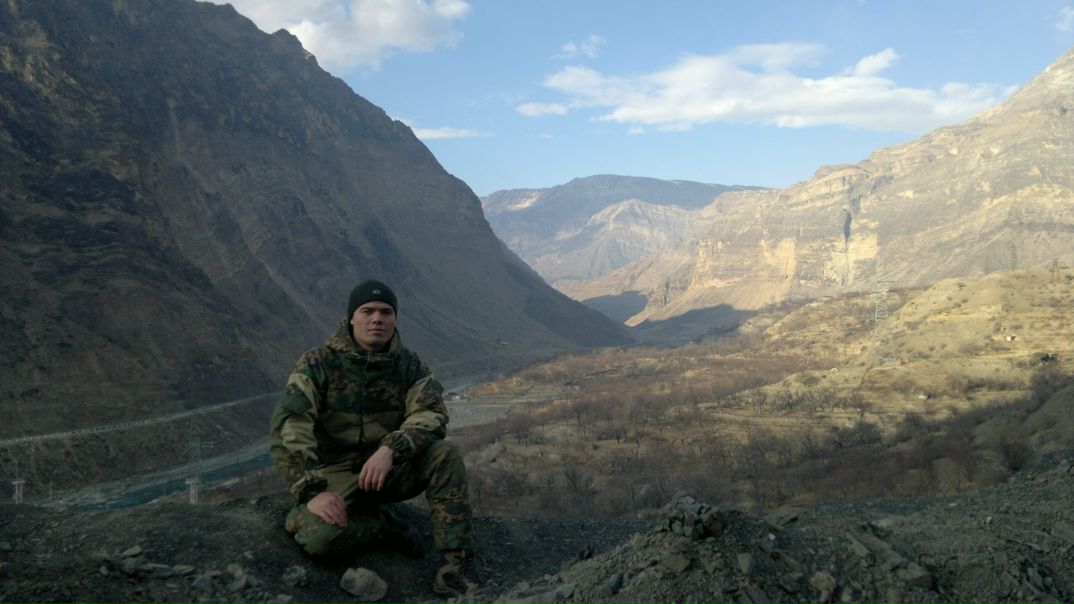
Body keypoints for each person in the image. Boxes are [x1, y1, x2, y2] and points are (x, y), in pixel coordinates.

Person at [269, 279, 481, 596]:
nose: (377, 319)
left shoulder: (409, 365)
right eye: (367, 311)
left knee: (445, 454)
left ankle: (456, 567)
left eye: (385, 312)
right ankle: (380, 525)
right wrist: (311, 491)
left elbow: (432, 414)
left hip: (389, 468)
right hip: (335, 472)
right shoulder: (318, 363)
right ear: (351, 318)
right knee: (317, 538)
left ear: (394, 319)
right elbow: (290, 425)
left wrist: (391, 448)